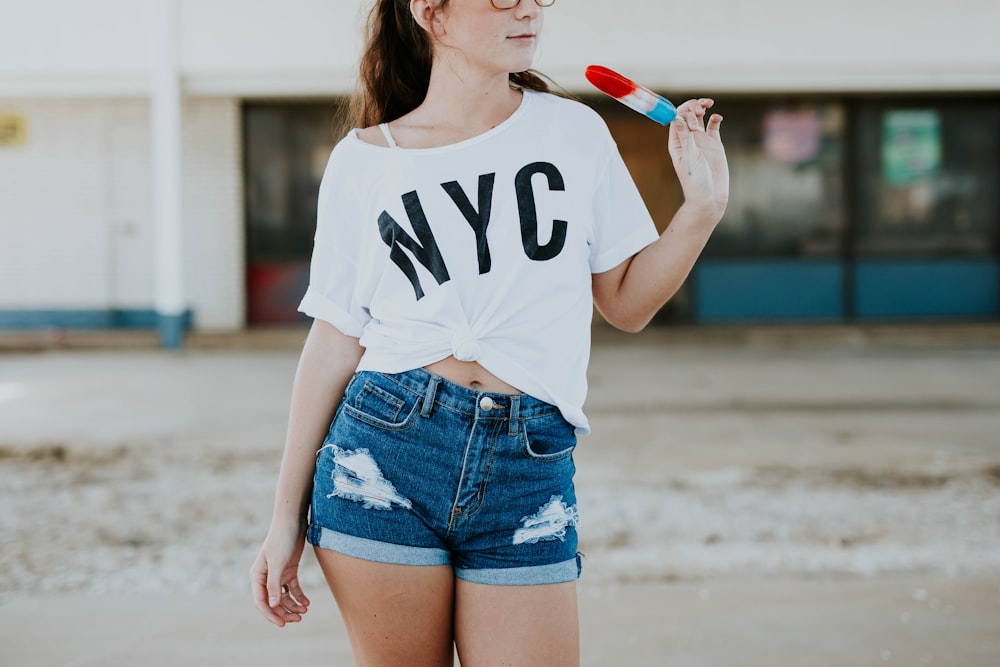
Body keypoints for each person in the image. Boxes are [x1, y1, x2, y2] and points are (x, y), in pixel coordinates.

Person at [249, 0, 728, 664]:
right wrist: (283, 520)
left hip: (527, 463)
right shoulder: (363, 162)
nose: (529, 7)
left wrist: (702, 209)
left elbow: (626, 304)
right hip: (384, 454)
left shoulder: (574, 133)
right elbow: (333, 341)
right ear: (432, 13)